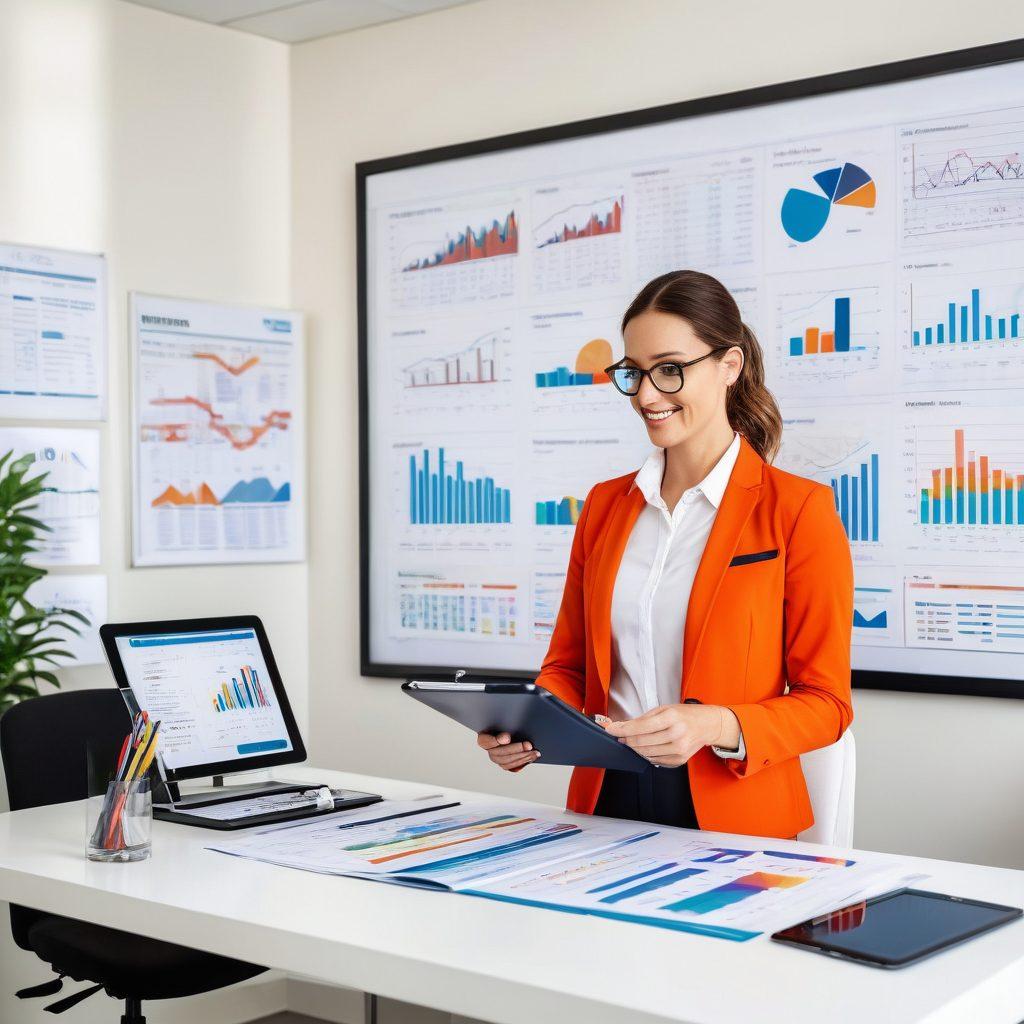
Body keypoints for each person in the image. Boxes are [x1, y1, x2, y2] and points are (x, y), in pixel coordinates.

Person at [477, 269, 854, 840]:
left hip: (734, 813)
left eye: (670, 369)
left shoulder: (798, 509)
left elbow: (827, 703)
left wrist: (713, 724)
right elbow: (569, 666)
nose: (647, 395)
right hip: (604, 798)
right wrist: (529, 725)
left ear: (730, 366)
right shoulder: (605, 506)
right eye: (633, 372)